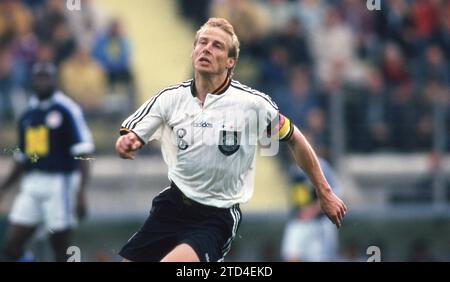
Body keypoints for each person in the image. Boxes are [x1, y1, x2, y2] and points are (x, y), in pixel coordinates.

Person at [115, 17, 347, 262]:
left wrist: (325, 192)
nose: (206, 48)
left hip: (214, 218)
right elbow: (134, 132)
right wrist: (128, 141)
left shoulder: (252, 105)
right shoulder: (170, 99)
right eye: (202, 42)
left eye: (217, 45)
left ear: (230, 62)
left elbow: (295, 139)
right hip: (172, 207)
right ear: (193, 51)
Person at [0, 62, 94, 262]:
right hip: (32, 182)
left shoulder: (66, 109)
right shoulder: (29, 114)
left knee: (59, 247)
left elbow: (83, 151)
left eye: (46, 77)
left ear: (54, 80)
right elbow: (23, 157)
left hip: (60, 182)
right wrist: (4, 188)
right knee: (12, 245)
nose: (42, 82)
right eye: (38, 78)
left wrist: (82, 192)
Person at [281, 154, 339, 262]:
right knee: (292, 255)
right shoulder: (293, 169)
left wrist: (312, 210)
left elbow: (334, 195)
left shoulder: (321, 166)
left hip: (318, 224)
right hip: (298, 222)